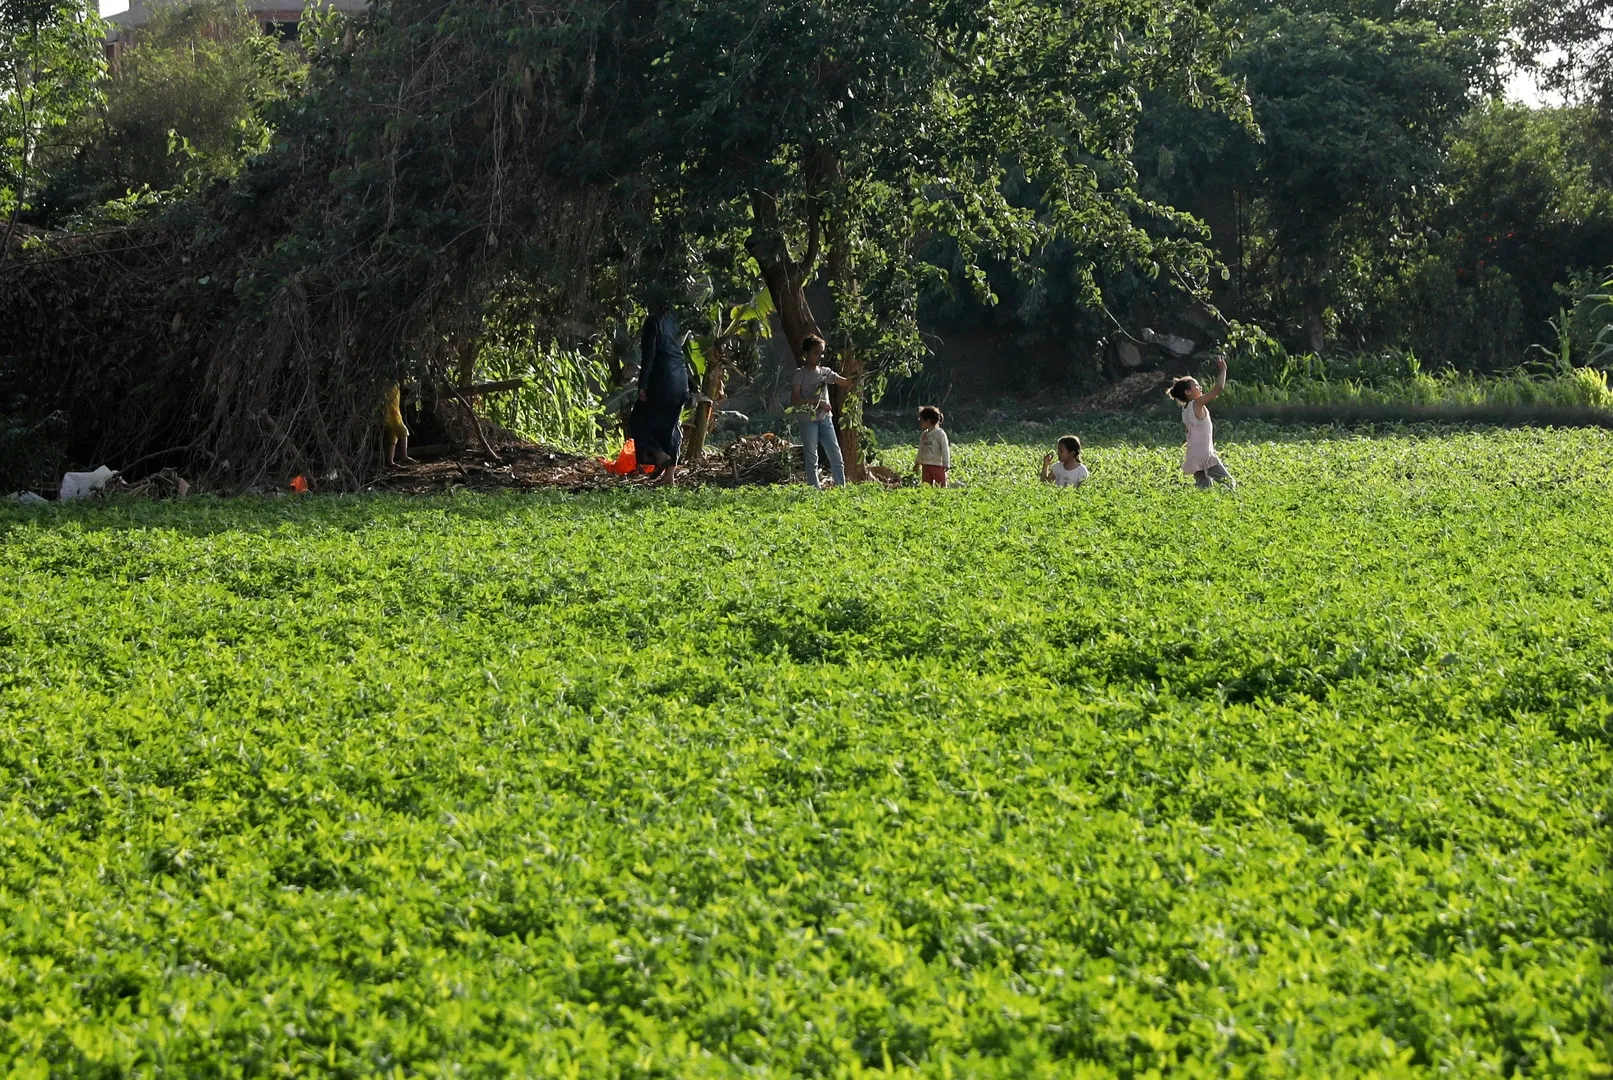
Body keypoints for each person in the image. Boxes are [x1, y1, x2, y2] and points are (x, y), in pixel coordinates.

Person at [630, 302, 693, 486]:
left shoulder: (653, 322)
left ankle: (658, 454)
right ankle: (669, 477)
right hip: (680, 380)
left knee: (638, 420)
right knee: (671, 427)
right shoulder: (677, 320)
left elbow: (649, 356)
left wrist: (643, 385)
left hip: (662, 378)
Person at [791, 335, 852, 488]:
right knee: (812, 456)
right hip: (807, 420)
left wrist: (861, 376)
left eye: (821, 353)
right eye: (815, 353)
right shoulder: (800, 374)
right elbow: (795, 400)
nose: (819, 356)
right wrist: (817, 402)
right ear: (805, 354)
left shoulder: (825, 372)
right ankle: (814, 490)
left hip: (825, 419)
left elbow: (845, 382)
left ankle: (841, 488)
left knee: (835, 455)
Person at [1167, 356, 1237, 490]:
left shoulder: (1185, 409)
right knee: (1229, 482)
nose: (1200, 387)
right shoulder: (1197, 404)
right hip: (1205, 455)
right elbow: (1219, 388)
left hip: (1193, 454)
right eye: (1196, 385)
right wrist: (1223, 370)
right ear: (1188, 392)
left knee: (1204, 487)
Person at [914, 405, 951, 486]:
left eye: (921, 420)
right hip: (926, 465)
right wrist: (917, 463)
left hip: (938, 465)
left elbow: (945, 449)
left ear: (928, 421)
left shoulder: (940, 433)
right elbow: (921, 450)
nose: (920, 422)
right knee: (926, 486)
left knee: (941, 486)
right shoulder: (924, 434)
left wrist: (946, 463)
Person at [382, 383, 415, 467]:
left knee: (392, 436)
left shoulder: (394, 382)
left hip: (394, 411)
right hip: (391, 411)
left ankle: (390, 461)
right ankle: (404, 456)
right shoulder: (387, 381)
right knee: (403, 432)